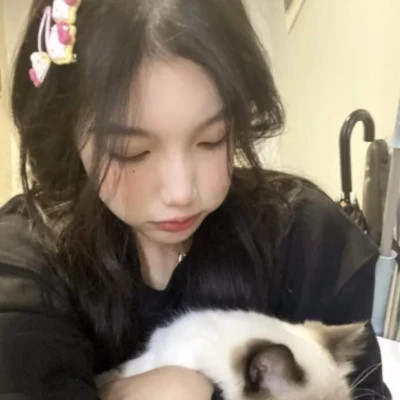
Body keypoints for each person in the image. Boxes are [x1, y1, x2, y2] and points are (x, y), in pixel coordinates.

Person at [0, 0, 391, 399]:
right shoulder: (22, 273)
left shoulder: (309, 238)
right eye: (130, 152)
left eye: (212, 139)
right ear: (66, 133)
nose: (181, 192)